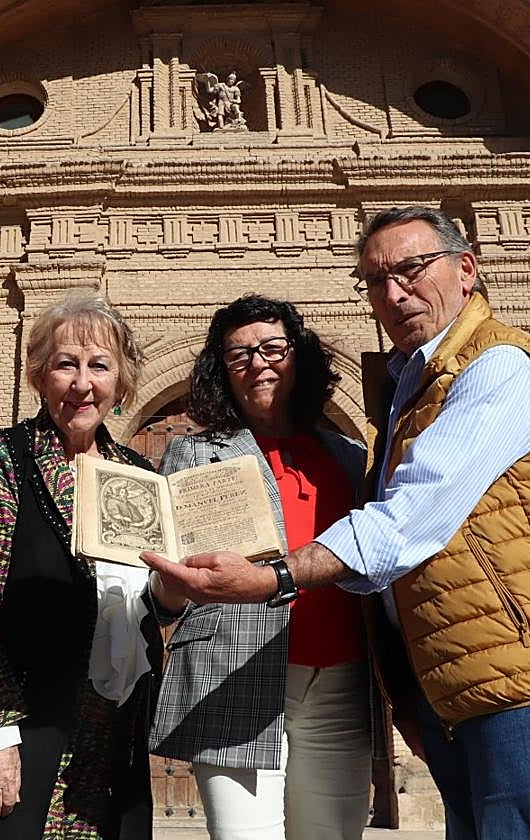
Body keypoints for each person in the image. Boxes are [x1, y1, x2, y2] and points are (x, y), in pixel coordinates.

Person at [144, 206, 530, 840]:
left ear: (467, 269)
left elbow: (405, 521)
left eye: (411, 269)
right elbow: (159, 582)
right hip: (326, 676)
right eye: (376, 280)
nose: (394, 292)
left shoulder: (483, 373)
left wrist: (272, 579)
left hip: (496, 667)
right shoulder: (406, 392)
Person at [0, 292, 163, 840]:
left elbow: (146, 602)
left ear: (122, 382)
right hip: (14, 723)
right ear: (40, 375)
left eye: (99, 366)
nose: (82, 383)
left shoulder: (139, 476)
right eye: (66, 364)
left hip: (108, 738)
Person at [147, 295, 373, 840]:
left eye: (272, 347)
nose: (258, 362)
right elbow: (161, 593)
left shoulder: (347, 455)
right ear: (220, 370)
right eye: (238, 354)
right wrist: (177, 590)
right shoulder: (190, 454)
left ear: (299, 356)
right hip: (230, 672)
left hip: (341, 680)